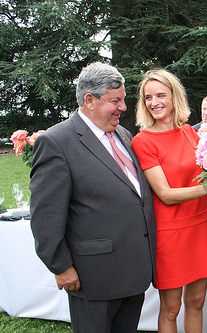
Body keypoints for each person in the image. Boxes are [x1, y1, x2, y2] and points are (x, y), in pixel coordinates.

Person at [29, 62, 155, 333]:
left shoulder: (122, 134)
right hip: (93, 277)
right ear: (89, 100)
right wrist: (61, 266)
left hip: (132, 273)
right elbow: (45, 217)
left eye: (123, 99)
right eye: (115, 101)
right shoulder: (56, 142)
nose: (123, 107)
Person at [131, 68, 207, 333]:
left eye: (160, 95)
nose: (154, 102)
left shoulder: (190, 132)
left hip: (199, 225)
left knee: (197, 301)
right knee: (171, 308)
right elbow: (165, 194)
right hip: (170, 232)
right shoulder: (143, 141)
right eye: (148, 97)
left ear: (174, 96)